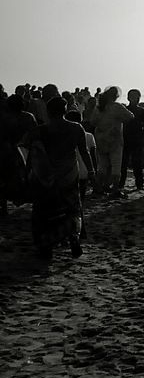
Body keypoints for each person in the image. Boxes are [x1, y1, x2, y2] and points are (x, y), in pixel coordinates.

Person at [23, 96, 91, 260]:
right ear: (65, 110)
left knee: (45, 211)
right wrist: (92, 173)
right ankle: (74, 240)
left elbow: (32, 154)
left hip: (46, 177)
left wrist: (27, 174)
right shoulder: (76, 128)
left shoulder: (39, 130)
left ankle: (47, 247)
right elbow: (84, 152)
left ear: (48, 111)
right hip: (69, 175)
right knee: (72, 209)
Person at [93, 86, 133, 197]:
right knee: (116, 166)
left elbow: (93, 121)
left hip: (101, 139)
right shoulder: (117, 107)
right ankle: (115, 189)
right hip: (115, 139)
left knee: (102, 166)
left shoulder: (99, 108)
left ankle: (99, 188)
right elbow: (130, 116)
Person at [122, 89, 144, 191]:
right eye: (135, 98)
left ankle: (139, 184)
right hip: (127, 138)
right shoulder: (126, 110)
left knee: (137, 163)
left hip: (137, 138)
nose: (136, 100)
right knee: (124, 163)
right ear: (129, 98)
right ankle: (122, 183)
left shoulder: (141, 111)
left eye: (138, 98)